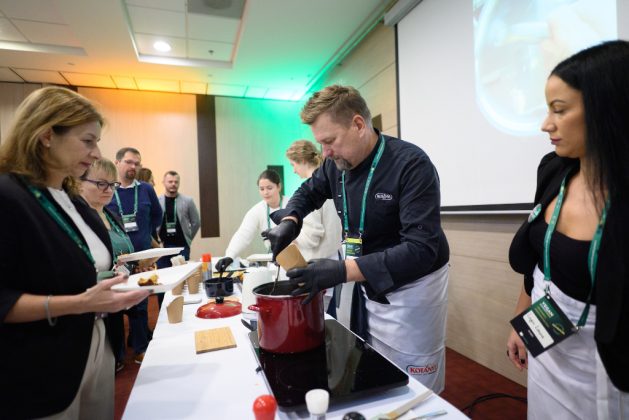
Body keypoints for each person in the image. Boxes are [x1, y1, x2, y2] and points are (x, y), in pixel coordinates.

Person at [263, 85, 450, 392]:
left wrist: (342, 270)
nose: (325, 152)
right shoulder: (336, 164)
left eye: (330, 141)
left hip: (413, 288)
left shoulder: (411, 165)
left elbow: (420, 250)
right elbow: (308, 191)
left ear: (359, 124)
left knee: (416, 385)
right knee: (375, 364)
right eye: (321, 144)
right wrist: (290, 220)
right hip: (367, 275)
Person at [0, 86, 149, 419]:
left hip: (96, 343)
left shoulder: (72, 200)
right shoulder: (8, 196)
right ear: (46, 135)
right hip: (41, 364)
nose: (96, 153)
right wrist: (80, 303)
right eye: (88, 141)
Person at [507, 40, 629, 419]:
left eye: (559, 110)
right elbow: (538, 259)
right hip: (547, 336)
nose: (546, 124)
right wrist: (522, 320)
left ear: (606, 109)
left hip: (604, 359)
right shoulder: (554, 169)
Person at [107, 147, 162, 364]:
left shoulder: (146, 189)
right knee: (116, 307)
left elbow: (157, 216)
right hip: (117, 259)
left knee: (140, 303)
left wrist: (146, 237)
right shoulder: (110, 189)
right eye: (129, 162)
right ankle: (118, 356)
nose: (133, 167)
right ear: (117, 163)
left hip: (142, 258)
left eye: (137, 163)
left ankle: (140, 347)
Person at [79, 158, 135, 373]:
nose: (109, 190)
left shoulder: (110, 215)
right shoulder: (79, 218)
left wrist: (136, 266)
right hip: (90, 306)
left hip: (115, 295)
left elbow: (121, 253)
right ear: (79, 183)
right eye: (101, 183)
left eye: (113, 184)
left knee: (112, 358)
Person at [286, 140, 344, 318]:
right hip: (334, 261)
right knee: (330, 317)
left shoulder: (313, 189)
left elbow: (312, 236)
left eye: (293, 165)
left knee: (317, 321)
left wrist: (290, 236)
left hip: (319, 266)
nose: (293, 170)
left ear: (303, 161)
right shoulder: (330, 185)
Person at [156, 170, 201, 306]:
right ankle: (163, 309)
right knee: (162, 281)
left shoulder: (187, 201)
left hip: (182, 247)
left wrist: (188, 239)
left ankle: (182, 307)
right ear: (164, 182)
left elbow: (196, 222)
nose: (173, 184)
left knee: (181, 280)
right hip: (162, 249)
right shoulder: (157, 201)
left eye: (176, 182)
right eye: (170, 181)